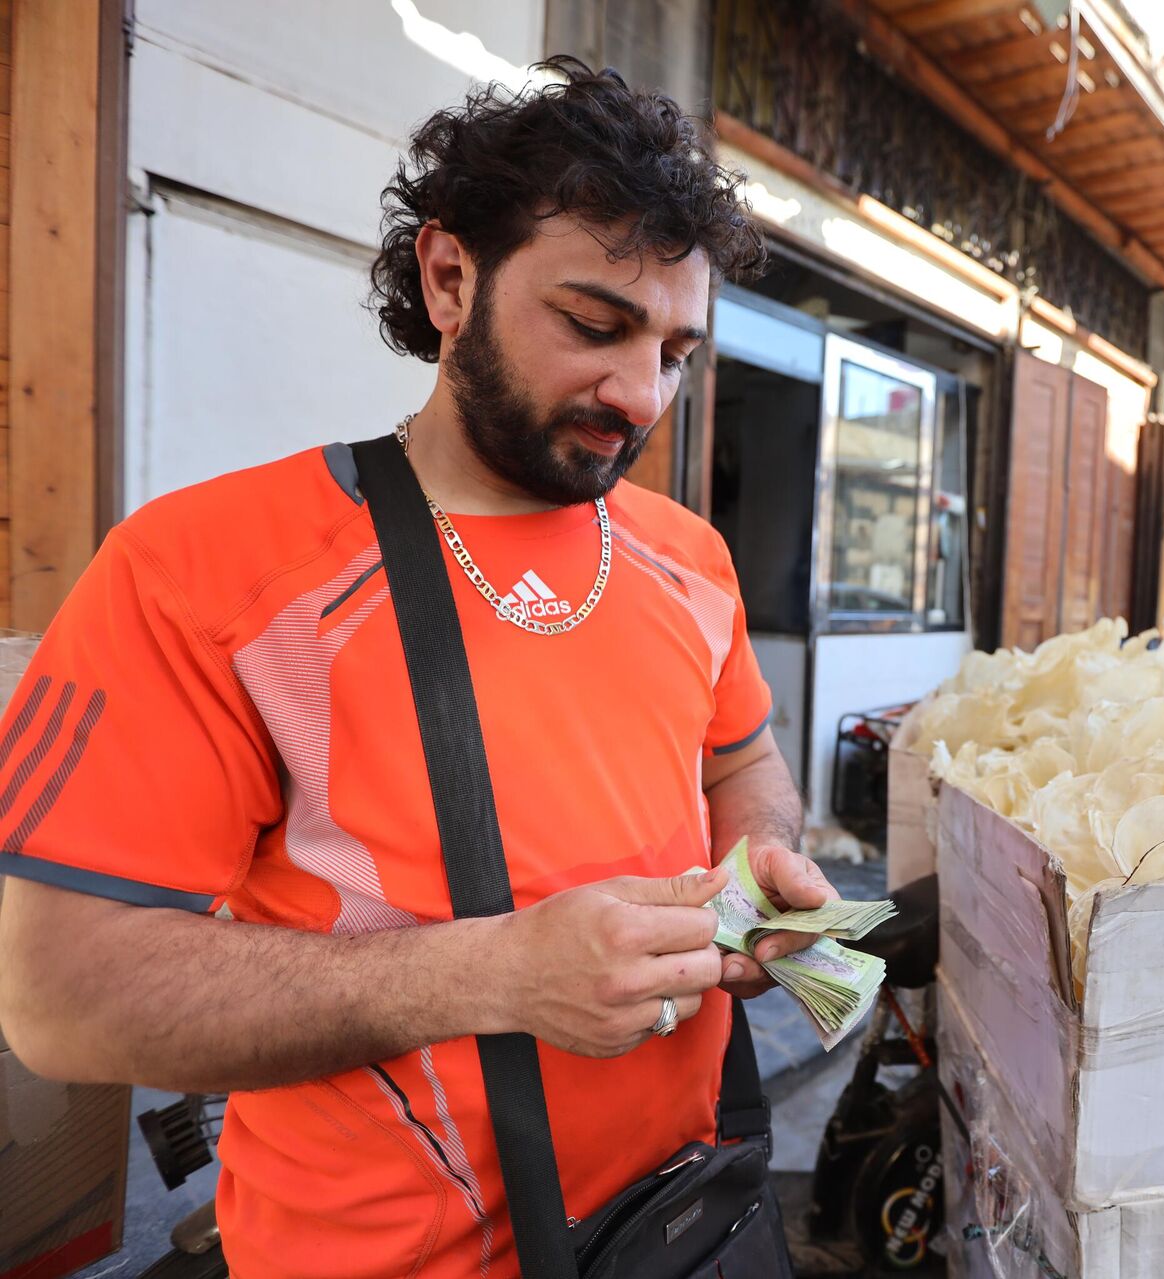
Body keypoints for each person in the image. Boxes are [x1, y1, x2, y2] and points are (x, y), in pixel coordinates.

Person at [0, 62, 832, 1277]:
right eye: (595, 325)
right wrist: (494, 973)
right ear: (451, 278)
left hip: (683, 1220)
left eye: (678, 349)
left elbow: (743, 757)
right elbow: (63, 996)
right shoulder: (204, 567)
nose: (640, 393)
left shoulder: (688, 554)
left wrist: (759, 865)